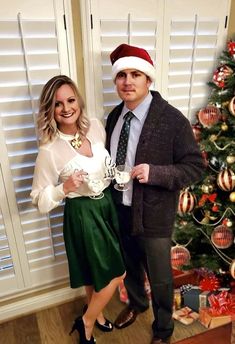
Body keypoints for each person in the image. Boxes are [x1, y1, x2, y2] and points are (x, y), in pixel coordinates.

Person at [105, 44, 205, 344]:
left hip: (155, 215)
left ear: (148, 79)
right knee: (130, 266)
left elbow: (195, 167)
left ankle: (163, 328)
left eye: (135, 74)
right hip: (120, 207)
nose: (128, 81)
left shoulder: (172, 120)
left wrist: (156, 173)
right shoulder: (114, 117)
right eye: (121, 75)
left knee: (160, 277)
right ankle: (137, 304)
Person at [30, 75, 126, 344]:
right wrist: (64, 188)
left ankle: (99, 316)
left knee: (93, 270)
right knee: (117, 272)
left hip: (107, 206)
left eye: (70, 100)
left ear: (78, 101)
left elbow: (102, 166)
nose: (66, 108)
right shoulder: (49, 151)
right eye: (57, 104)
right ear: (50, 110)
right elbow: (39, 199)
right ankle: (86, 321)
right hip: (82, 214)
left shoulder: (95, 127)